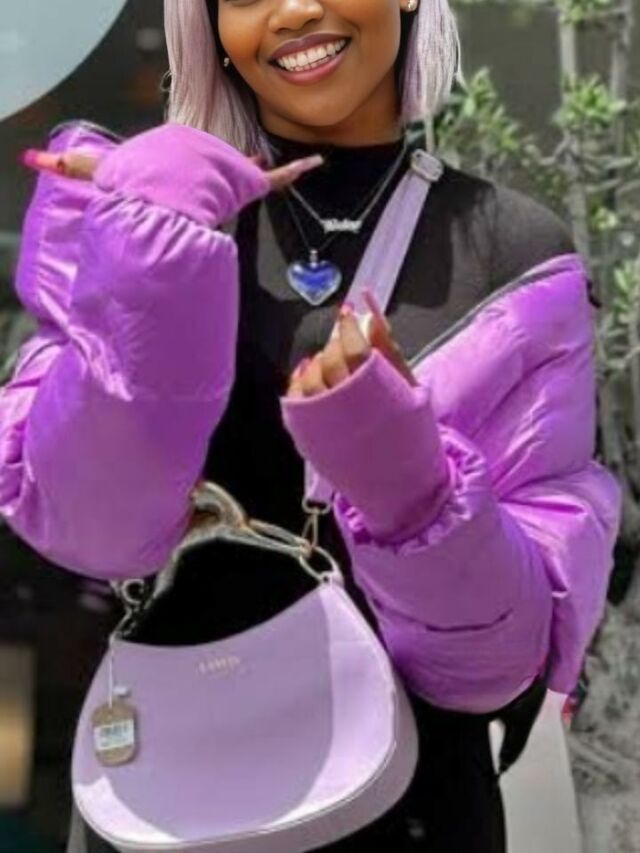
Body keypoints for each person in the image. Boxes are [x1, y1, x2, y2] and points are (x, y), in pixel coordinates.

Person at [0, 0, 621, 850]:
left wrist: (403, 474)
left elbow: (493, 664)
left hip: (404, 808)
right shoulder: (135, 204)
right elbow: (91, 532)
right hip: (161, 801)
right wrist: (147, 253)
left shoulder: (510, 252)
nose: (293, 11)